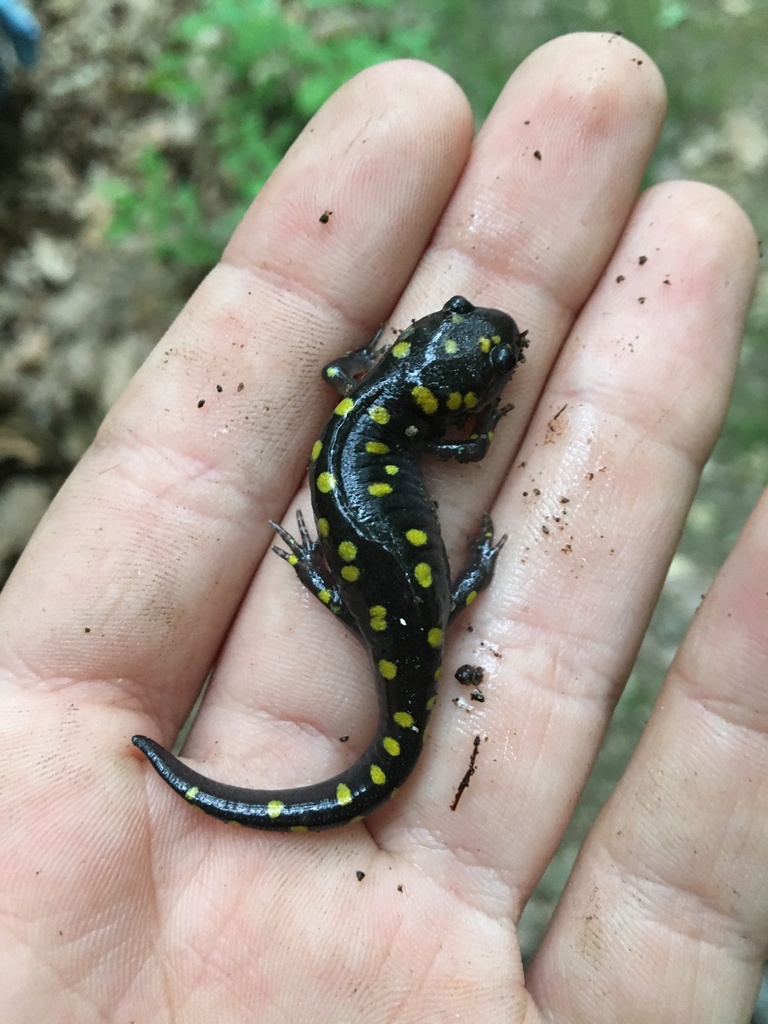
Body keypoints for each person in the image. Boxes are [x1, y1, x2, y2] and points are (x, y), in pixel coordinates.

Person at [0, 32, 764, 1023]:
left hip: (401, 596)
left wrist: (414, 481)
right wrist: (452, 533)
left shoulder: (368, 392)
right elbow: (428, 436)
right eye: (485, 378)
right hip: (403, 601)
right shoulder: (400, 421)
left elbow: (336, 378)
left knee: (407, 622)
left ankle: (352, 593)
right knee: (409, 621)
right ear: (447, 395)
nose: (494, 366)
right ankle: (351, 596)